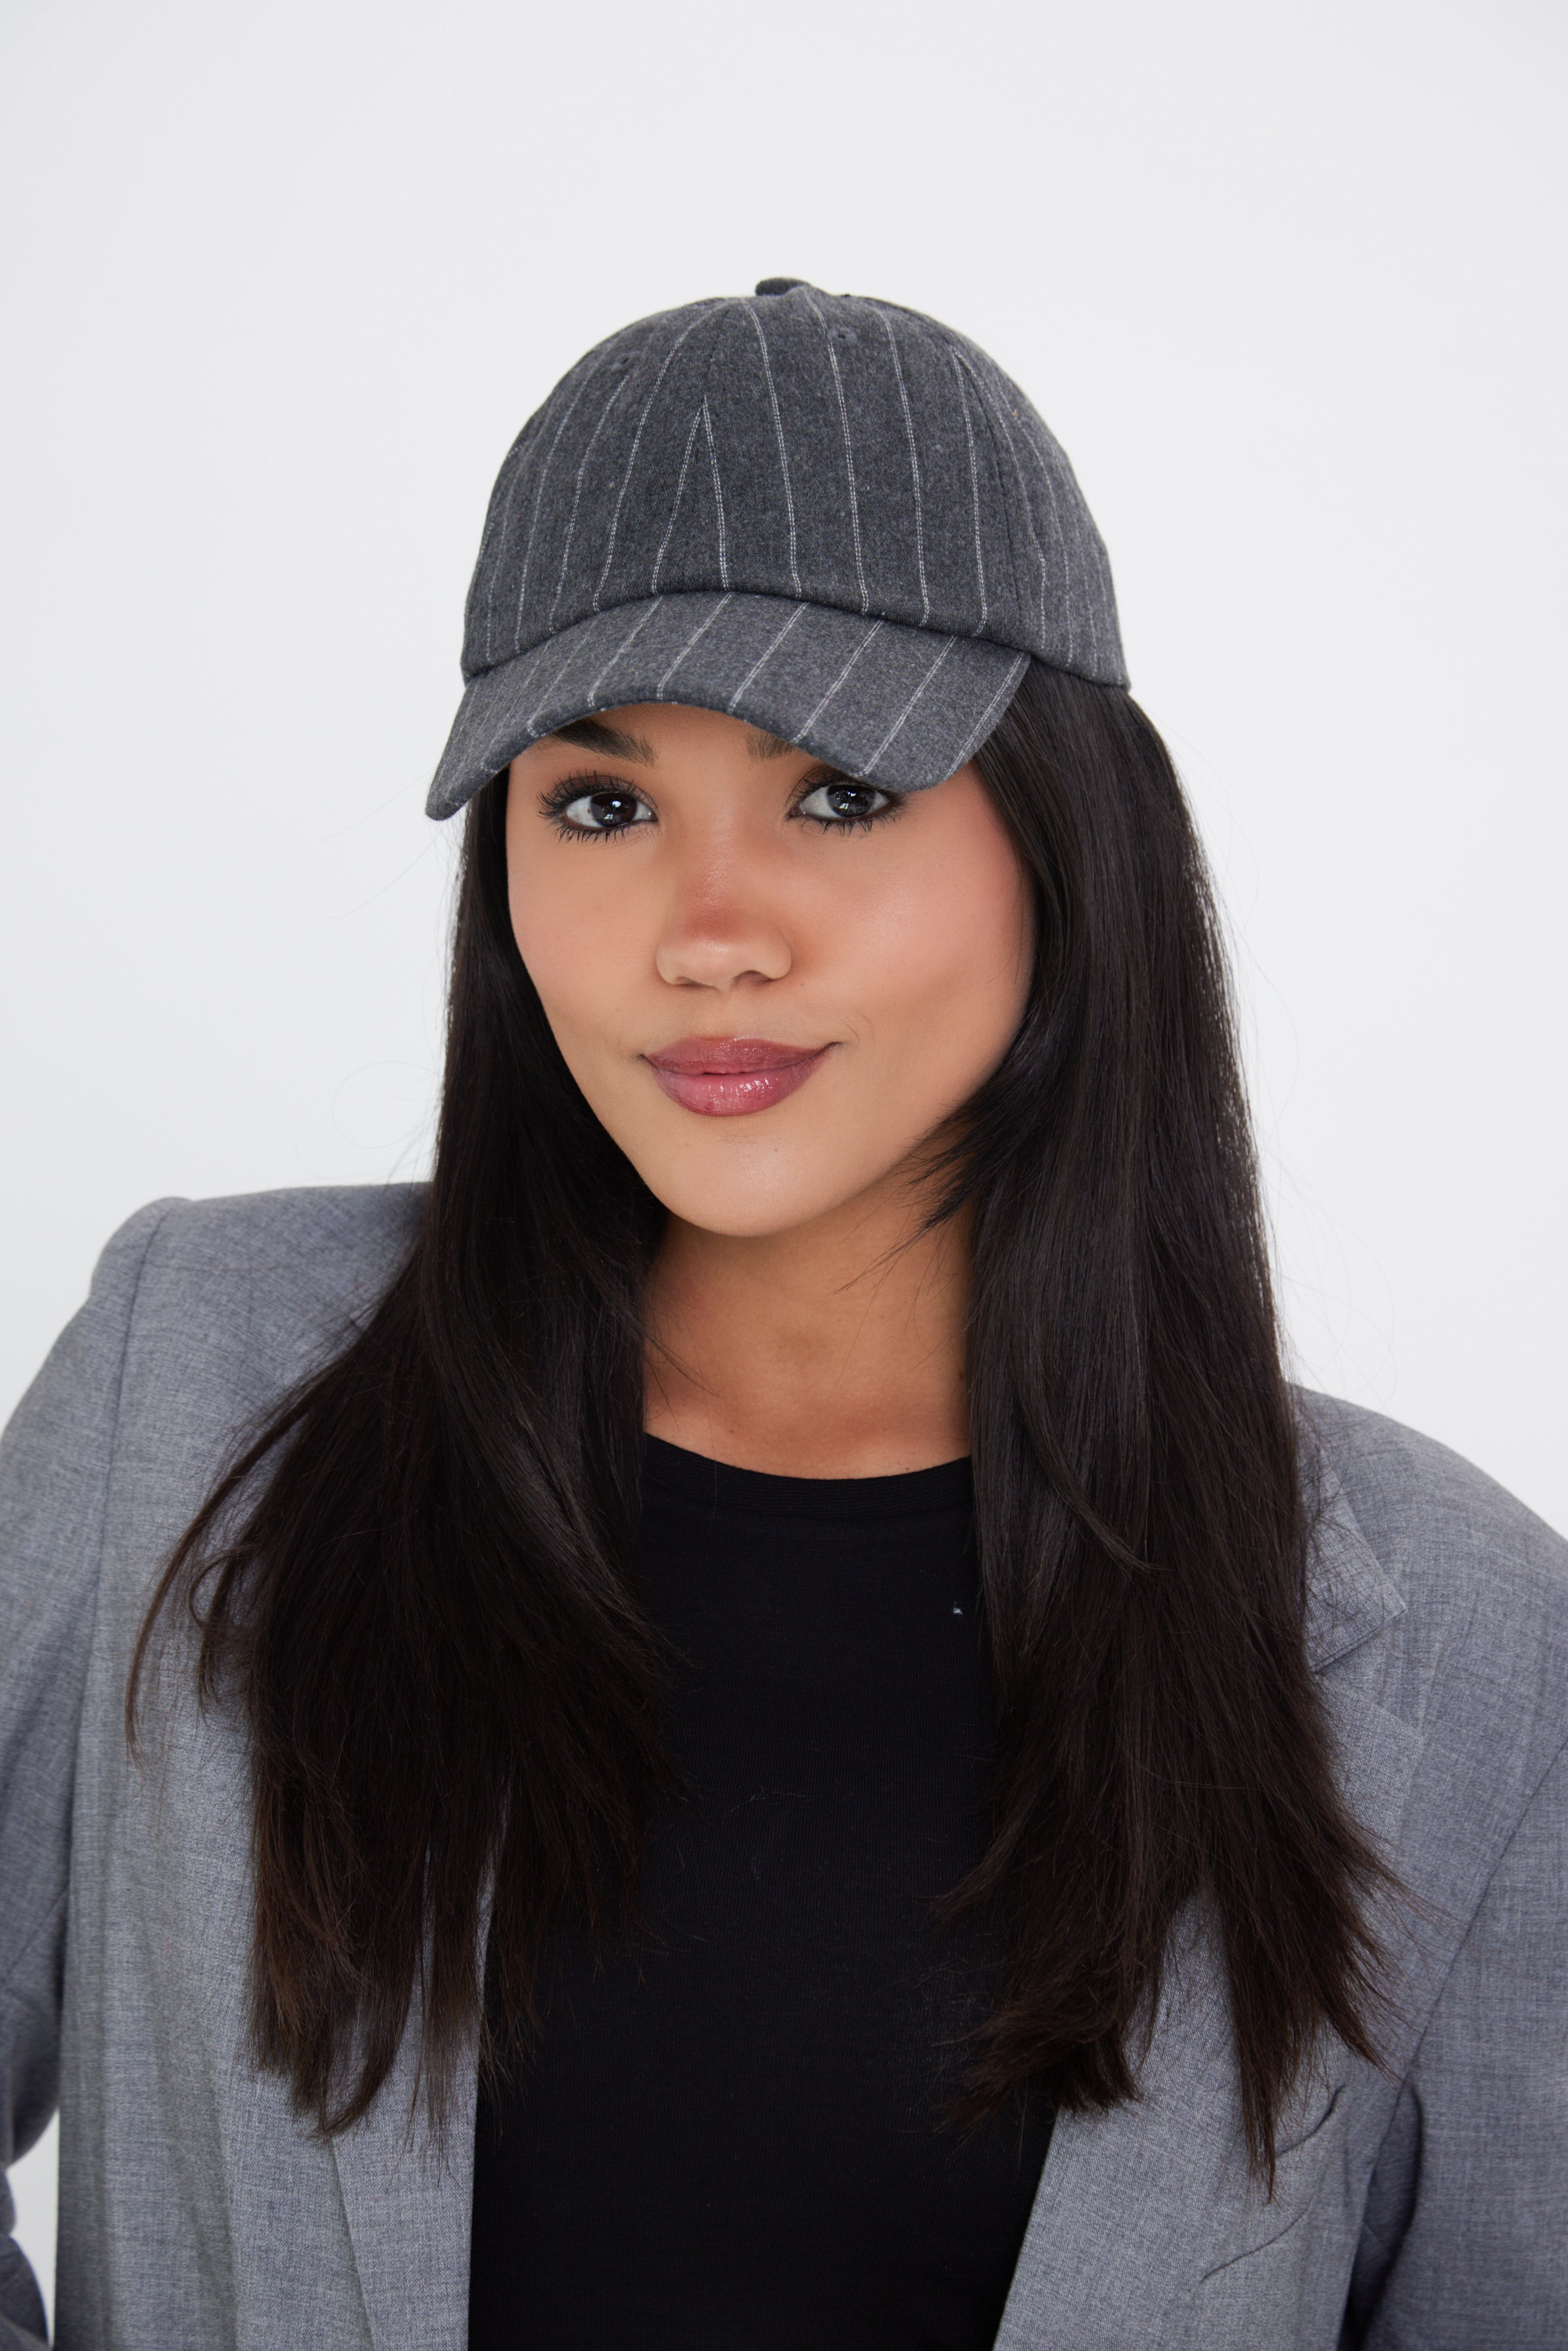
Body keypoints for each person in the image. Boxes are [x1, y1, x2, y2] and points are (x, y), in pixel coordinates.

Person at [1, 279, 1563, 2351]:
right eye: (600, 802)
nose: (704, 936)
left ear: (1067, 842)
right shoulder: (187, 1378)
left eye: (836, 791)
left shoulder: (1458, 1638)